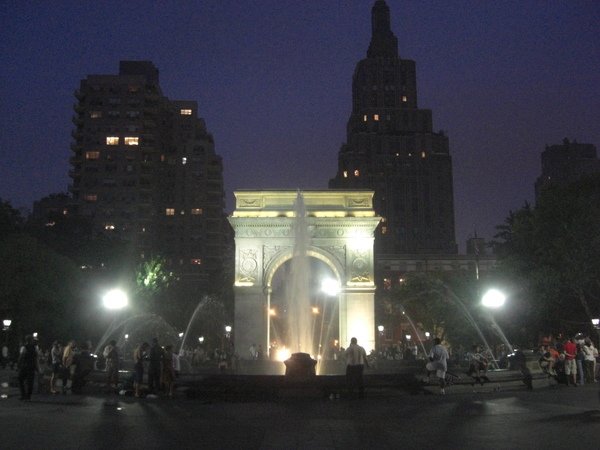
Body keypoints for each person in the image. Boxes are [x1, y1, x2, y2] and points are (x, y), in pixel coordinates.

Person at [17, 335, 40, 400]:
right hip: (32, 366)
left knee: (20, 379)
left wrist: (18, 365)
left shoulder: (24, 347)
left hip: (25, 366)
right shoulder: (35, 348)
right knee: (30, 382)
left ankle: (23, 394)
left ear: (26, 340)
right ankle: (28, 396)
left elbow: (21, 357)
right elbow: (36, 358)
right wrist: (37, 368)